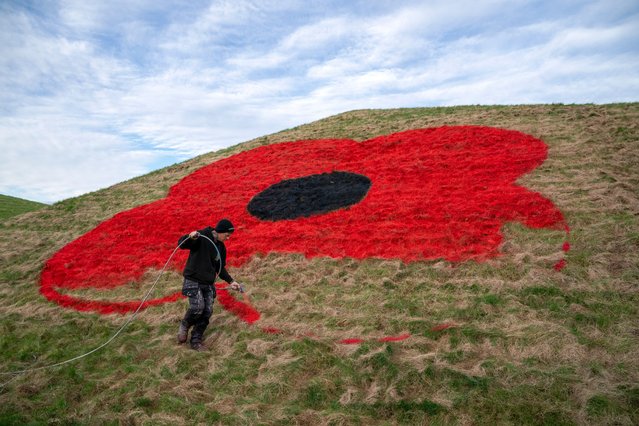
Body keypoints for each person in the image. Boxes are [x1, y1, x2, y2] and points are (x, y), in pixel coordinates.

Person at [176, 218, 242, 351]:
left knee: (207, 311)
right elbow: (181, 244)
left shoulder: (221, 248)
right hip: (193, 280)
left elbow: (220, 268)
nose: (228, 238)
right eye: (227, 235)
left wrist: (231, 281)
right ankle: (185, 324)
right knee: (198, 307)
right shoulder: (201, 237)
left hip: (208, 283)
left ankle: (196, 340)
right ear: (220, 231)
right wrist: (191, 237)